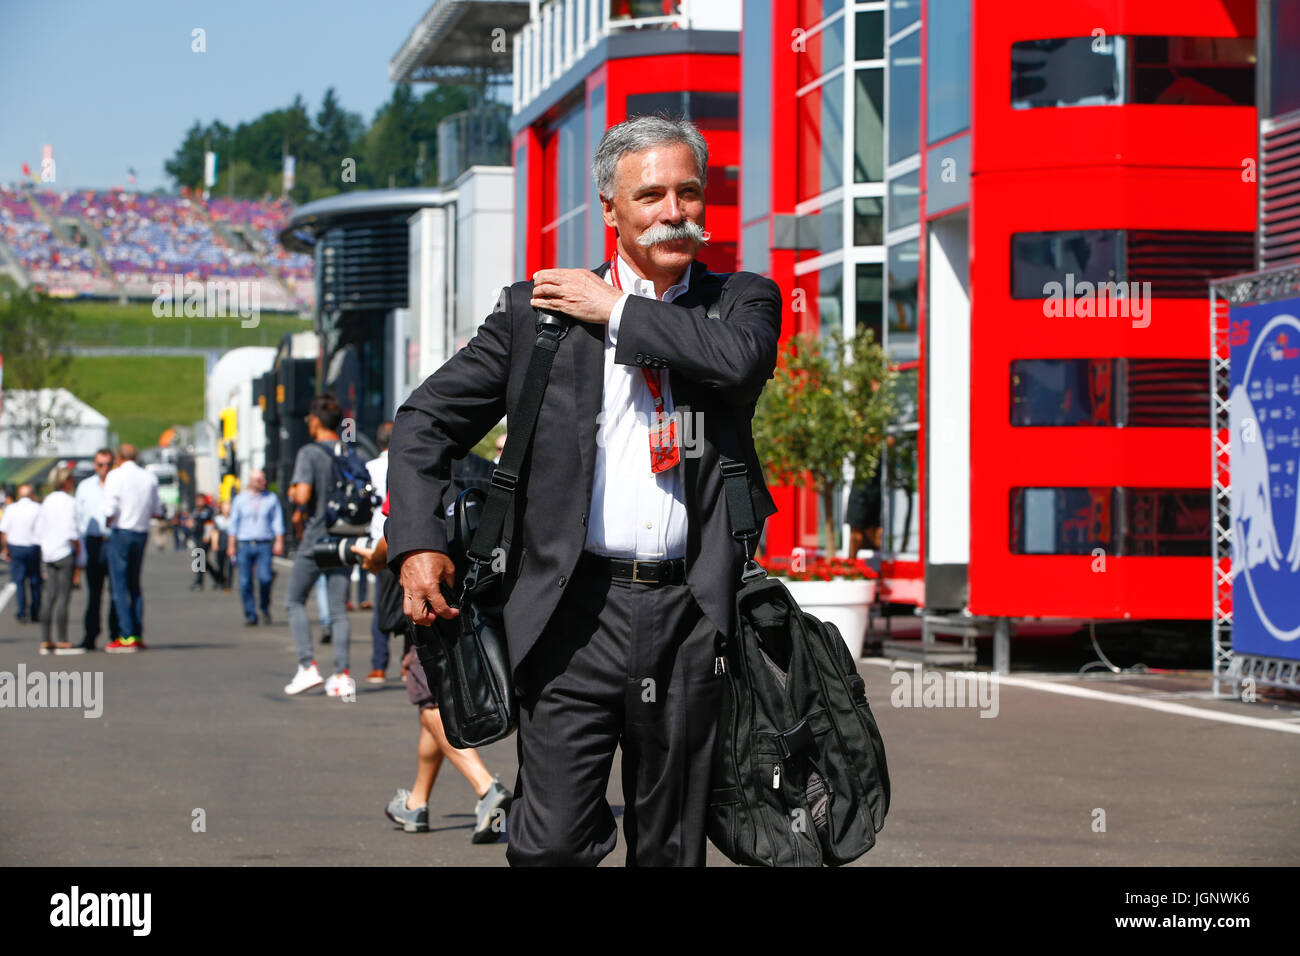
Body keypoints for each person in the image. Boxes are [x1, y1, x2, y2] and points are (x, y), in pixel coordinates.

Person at [387, 116, 781, 866]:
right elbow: (423, 422)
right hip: (570, 614)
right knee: (549, 846)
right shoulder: (538, 314)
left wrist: (618, 312)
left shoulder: (740, 301)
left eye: (690, 193)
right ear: (610, 209)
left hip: (691, 615)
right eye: (653, 194)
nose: (676, 211)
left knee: (669, 850)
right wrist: (417, 544)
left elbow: (736, 364)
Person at [353, 497, 513, 842]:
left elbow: (403, 527)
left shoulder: (420, 457)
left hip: (429, 609)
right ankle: (416, 802)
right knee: (432, 708)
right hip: (472, 598)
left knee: (432, 708)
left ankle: (487, 789)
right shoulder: (472, 461)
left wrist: (375, 560)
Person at [283, 393, 355, 700]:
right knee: (339, 610)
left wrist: (292, 491)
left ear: (314, 420)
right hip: (344, 538)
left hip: (316, 539)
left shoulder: (309, 453)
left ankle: (307, 665)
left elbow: (302, 496)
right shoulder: (348, 451)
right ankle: (342, 675)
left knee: (294, 600)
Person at [103, 443, 163, 654]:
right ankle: (136, 633)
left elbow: (111, 506)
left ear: (119, 457)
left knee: (119, 586)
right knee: (135, 584)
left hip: (122, 531)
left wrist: (106, 520)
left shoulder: (115, 476)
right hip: (141, 531)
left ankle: (126, 634)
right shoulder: (149, 477)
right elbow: (158, 509)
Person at [226, 469, 285, 626]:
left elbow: (277, 521)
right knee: (245, 582)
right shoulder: (240, 500)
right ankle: (251, 614)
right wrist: (231, 545)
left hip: (264, 543)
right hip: (244, 544)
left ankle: (264, 607)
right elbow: (233, 524)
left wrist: (279, 541)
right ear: (251, 481)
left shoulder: (271, 499)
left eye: (263, 479)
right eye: (259, 479)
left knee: (265, 578)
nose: (262, 482)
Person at [74, 447, 119, 651]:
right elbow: (79, 516)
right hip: (93, 541)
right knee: (94, 593)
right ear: (95, 465)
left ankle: (116, 633)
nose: (105, 468)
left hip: (113, 540)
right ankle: (91, 634)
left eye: (108, 464)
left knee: (116, 590)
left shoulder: (118, 484)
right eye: (101, 464)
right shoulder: (85, 486)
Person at [35, 466, 82, 655]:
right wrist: (79, 553)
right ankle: (62, 638)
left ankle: (46, 638)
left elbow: (39, 529)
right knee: (63, 597)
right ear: (66, 482)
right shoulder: (69, 502)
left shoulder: (46, 501)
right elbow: (73, 530)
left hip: (48, 552)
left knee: (49, 596)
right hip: (64, 551)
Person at [363, 422, 393, 683]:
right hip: (406, 536)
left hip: (378, 537)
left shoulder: (369, 468)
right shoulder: (410, 463)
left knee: (381, 604)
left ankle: (379, 665)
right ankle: (410, 665)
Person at [0, 484, 43, 624]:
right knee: (35, 580)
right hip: (33, 547)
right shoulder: (37, 508)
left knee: (19, 581)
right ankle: (35, 611)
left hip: (17, 547)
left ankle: (21, 611)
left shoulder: (11, 509)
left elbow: (4, 531)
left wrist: (5, 549)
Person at [188, 494, 214, 591]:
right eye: (198, 500)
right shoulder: (195, 510)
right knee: (202, 560)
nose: (199, 502)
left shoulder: (208, 510)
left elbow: (210, 524)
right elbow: (192, 521)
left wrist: (207, 535)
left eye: (201, 500)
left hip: (205, 538)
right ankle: (218, 577)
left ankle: (199, 582)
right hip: (197, 537)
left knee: (200, 559)